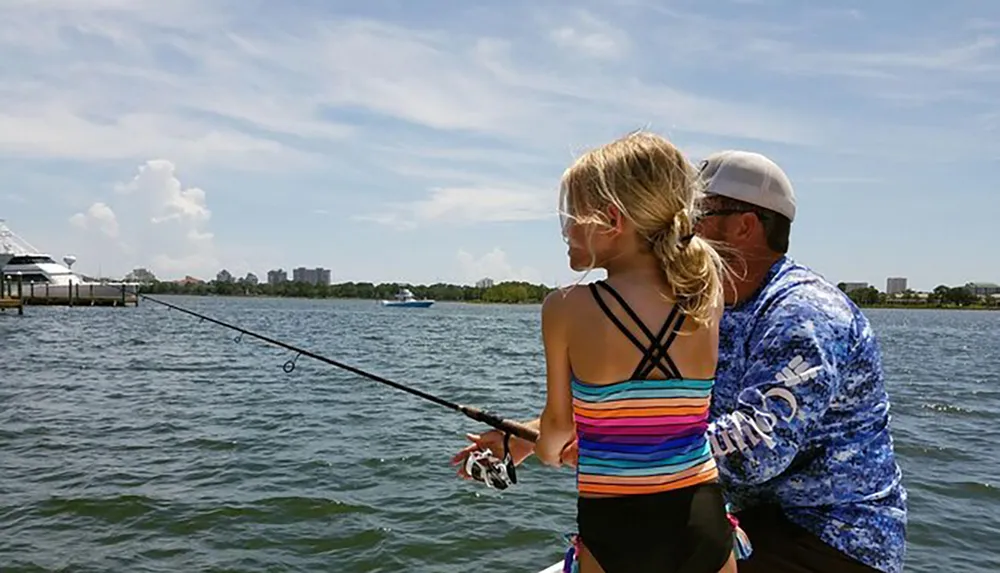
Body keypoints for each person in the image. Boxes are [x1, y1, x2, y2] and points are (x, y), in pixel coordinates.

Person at [452, 149, 907, 573]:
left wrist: (611, 450)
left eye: (691, 215)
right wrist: (528, 439)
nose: (672, 227)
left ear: (744, 226)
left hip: (832, 542)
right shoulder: (700, 305)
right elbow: (655, 404)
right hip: (742, 519)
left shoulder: (803, 315)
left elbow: (755, 451)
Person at [530, 130, 739, 572]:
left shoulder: (565, 308)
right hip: (702, 517)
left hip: (616, 525)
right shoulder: (706, 294)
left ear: (611, 220)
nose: (565, 229)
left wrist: (551, 450)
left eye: (570, 215)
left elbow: (554, 431)